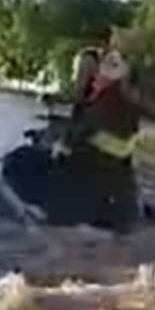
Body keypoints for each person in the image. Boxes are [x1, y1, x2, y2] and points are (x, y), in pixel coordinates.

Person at [52, 46, 141, 230]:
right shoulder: (114, 96)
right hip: (116, 189)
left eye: (86, 70)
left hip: (96, 185)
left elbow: (81, 132)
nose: (81, 76)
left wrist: (62, 143)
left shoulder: (107, 100)